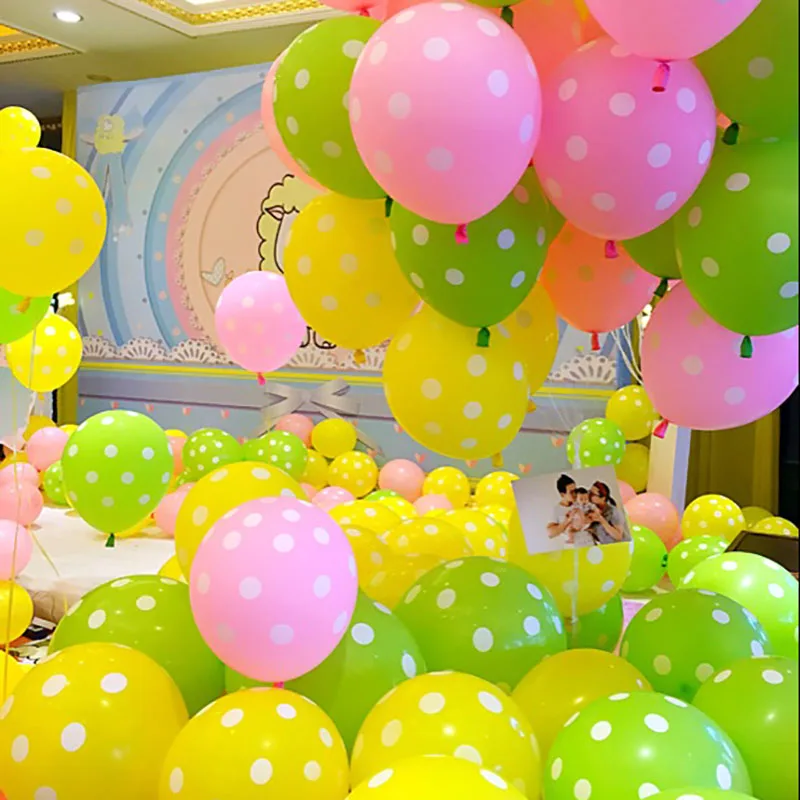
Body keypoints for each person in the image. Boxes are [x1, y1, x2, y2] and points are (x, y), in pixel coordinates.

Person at [547, 474, 577, 544]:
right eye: (571, 492)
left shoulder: (581, 501)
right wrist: (567, 521)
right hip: (573, 545)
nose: (575, 494)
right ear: (562, 494)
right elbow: (550, 534)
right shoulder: (556, 510)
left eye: (575, 490)